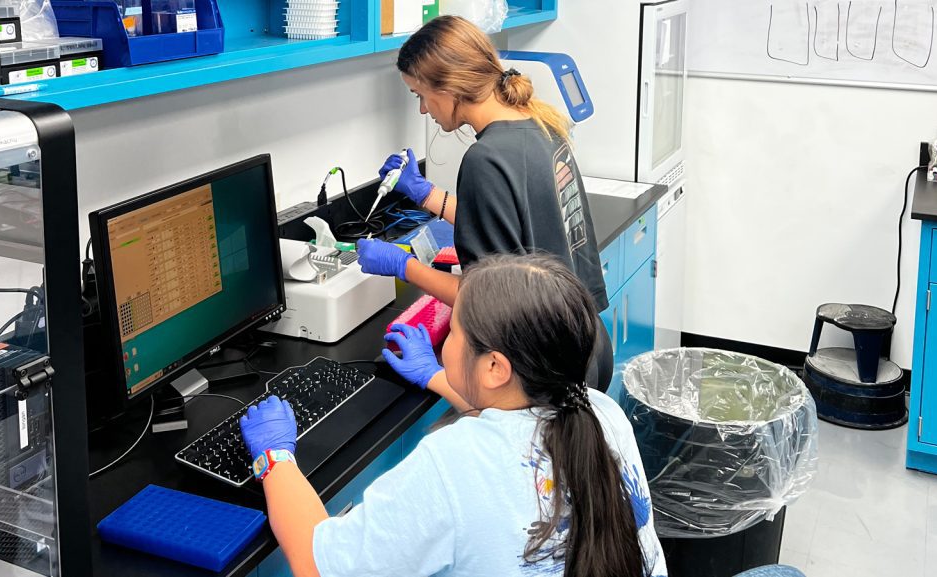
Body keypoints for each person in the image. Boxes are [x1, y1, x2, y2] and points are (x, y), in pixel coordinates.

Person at [240, 254, 668, 577]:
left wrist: (274, 458)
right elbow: (519, 436)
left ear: (496, 368)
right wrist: (438, 377)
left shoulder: (452, 462)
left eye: (456, 331)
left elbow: (317, 564)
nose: (446, 339)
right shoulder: (600, 411)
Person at [354, 15, 614, 392]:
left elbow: (484, 297)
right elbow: (509, 220)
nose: (424, 110)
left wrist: (402, 265)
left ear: (449, 87)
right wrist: (426, 195)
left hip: (544, 364)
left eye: (420, 95)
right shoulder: (539, 123)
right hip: (587, 342)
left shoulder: (485, 158)